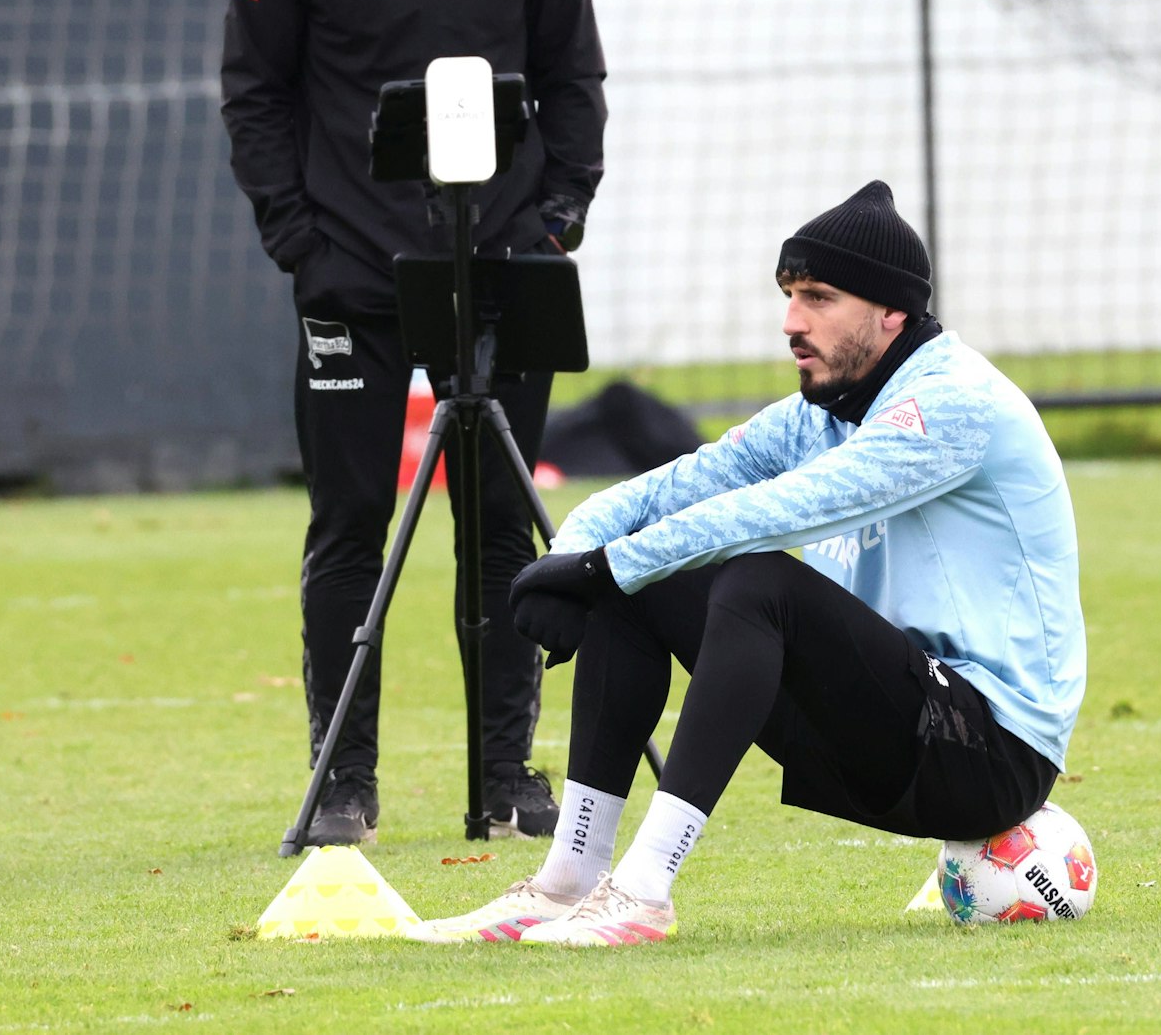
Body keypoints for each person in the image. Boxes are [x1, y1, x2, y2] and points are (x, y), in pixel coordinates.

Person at [410, 181, 1084, 945]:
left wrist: (609, 566)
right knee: (641, 581)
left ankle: (641, 893)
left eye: (819, 297)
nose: (792, 322)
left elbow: (780, 511)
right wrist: (573, 558)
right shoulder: (820, 409)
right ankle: (565, 883)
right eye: (790, 294)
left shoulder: (953, 403)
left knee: (754, 578)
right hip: (880, 731)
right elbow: (661, 493)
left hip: (988, 753)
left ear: (892, 311)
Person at [220, 0, 607, 846]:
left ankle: (505, 782)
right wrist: (297, 241)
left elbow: (574, 75)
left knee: (498, 529)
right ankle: (342, 787)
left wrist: (557, 217)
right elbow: (255, 95)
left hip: (502, 269)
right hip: (353, 277)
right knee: (349, 523)